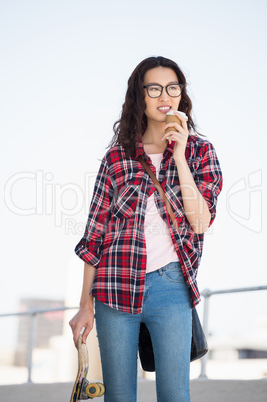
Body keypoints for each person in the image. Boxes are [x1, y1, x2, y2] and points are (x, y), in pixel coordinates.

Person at [69, 56, 223, 402]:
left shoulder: (201, 152)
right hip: (113, 288)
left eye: (173, 87)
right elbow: (95, 236)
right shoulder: (116, 159)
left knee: (174, 395)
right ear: (140, 96)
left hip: (171, 289)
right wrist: (84, 305)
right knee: (119, 396)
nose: (164, 95)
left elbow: (200, 221)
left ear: (181, 96)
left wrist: (180, 155)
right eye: (154, 88)